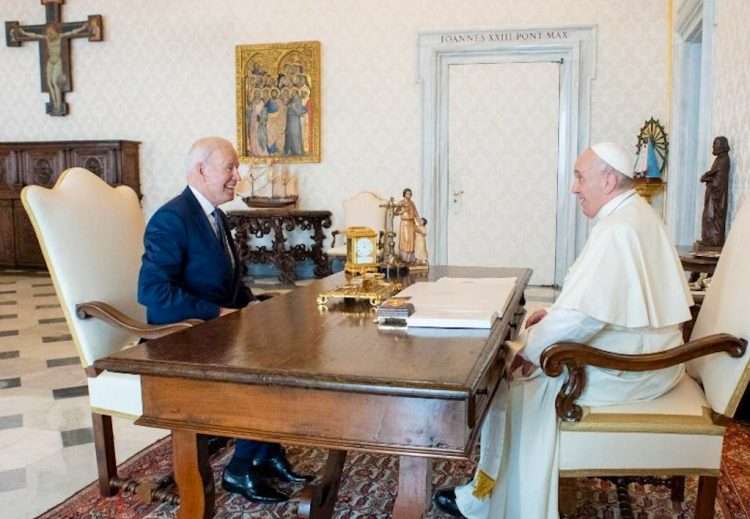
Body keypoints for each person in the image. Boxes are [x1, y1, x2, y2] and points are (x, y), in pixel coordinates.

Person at [434, 142, 693, 519]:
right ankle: (488, 492)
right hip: (645, 354)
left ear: (607, 180)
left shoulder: (618, 229)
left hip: (635, 371)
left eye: (579, 177)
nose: (573, 188)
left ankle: (493, 502)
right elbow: (599, 304)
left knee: (517, 385)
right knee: (526, 362)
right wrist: (553, 314)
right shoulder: (634, 213)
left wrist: (529, 351)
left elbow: (585, 318)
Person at [138, 137, 312, 503]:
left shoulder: (216, 216)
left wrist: (257, 306)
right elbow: (154, 294)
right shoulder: (172, 219)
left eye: (237, 167)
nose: (238, 175)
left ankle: (267, 454)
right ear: (202, 170)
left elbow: (229, 288)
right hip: (180, 339)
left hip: (215, 331)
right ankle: (240, 468)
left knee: (284, 346)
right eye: (230, 167)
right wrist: (218, 314)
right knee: (259, 360)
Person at [12, 22, 90, 114]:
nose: (49, 33)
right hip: (50, 62)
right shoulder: (47, 38)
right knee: (49, 82)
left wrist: (83, 28)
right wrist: (23, 33)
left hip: (57, 62)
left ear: (55, 31)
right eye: (48, 32)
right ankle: (54, 104)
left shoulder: (60, 36)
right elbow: (35, 35)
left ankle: (58, 105)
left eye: (51, 31)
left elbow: (72, 32)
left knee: (55, 83)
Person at [699, 136, 731, 248]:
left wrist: (707, 179)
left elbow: (719, 181)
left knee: (712, 217)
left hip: (717, 196)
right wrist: (707, 176)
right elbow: (713, 173)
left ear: (721, 146)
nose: (713, 146)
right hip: (712, 195)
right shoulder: (718, 159)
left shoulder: (724, 160)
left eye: (715, 144)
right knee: (707, 217)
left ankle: (714, 241)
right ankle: (708, 239)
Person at [395, 188, 419, 262]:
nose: (409, 195)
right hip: (405, 223)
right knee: (406, 239)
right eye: (407, 193)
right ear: (404, 194)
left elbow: (416, 213)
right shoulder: (401, 203)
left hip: (411, 223)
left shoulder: (412, 203)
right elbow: (395, 212)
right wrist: (402, 211)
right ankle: (404, 258)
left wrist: (419, 222)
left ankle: (411, 258)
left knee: (412, 239)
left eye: (410, 194)